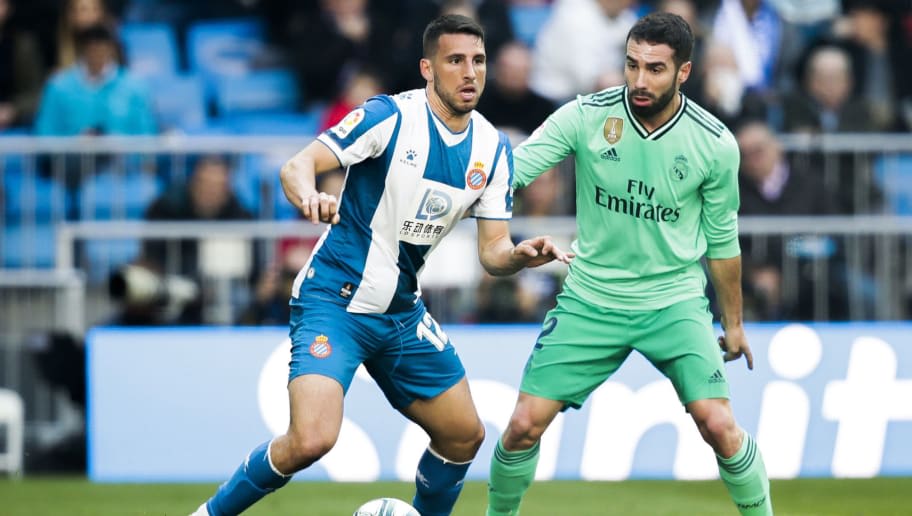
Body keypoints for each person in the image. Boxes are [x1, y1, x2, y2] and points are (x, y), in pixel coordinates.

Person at [191, 14, 571, 516]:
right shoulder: (387, 118)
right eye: (455, 60)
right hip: (336, 299)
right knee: (311, 439)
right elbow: (296, 166)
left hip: (399, 313)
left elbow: (492, 251)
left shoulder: (494, 149)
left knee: (464, 435)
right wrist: (309, 197)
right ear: (427, 69)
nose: (469, 72)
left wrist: (518, 257)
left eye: (477, 61)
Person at [487, 12, 773, 516]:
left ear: (684, 72)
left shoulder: (713, 144)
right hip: (591, 299)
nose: (640, 80)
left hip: (674, 302)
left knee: (720, 427)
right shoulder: (585, 116)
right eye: (632, 65)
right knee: (521, 426)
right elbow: (511, 171)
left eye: (656, 69)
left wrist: (733, 324)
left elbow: (723, 243)